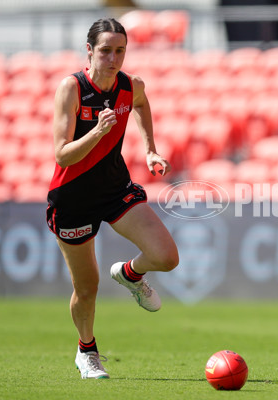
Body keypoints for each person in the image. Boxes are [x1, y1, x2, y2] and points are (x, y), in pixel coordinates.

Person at [46, 18, 179, 379]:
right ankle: (86, 352)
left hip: (114, 188)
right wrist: (99, 131)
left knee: (166, 256)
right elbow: (62, 155)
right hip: (72, 197)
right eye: (105, 50)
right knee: (87, 288)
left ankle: (131, 274)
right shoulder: (71, 89)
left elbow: (142, 104)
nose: (113, 58)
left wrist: (151, 150)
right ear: (89, 51)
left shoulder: (129, 85)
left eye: (120, 51)